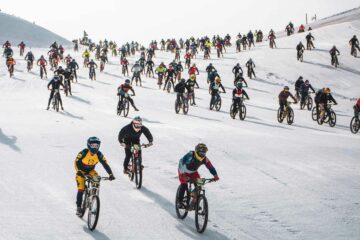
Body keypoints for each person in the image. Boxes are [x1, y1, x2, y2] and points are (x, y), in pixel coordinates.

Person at [74, 137, 115, 216]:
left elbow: (105, 164)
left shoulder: (99, 154)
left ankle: (93, 196)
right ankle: (78, 207)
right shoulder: (84, 152)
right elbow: (76, 162)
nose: (95, 148)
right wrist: (78, 171)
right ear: (89, 145)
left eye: (96, 146)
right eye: (93, 146)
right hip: (81, 172)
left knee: (97, 180)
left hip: (91, 171)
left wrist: (110, 174)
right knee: (81, 188)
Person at [177, 143, 219, 210]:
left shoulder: (205, 159)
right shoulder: (190, 155)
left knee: (199, 184)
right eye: (201, 152)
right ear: (197, 151)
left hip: (193, 172)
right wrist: (182, 174)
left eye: (204, 153)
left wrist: (215, 175)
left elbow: (210, 167)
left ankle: (194, 203)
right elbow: (181, 162)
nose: (203, 154)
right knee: (184, 185)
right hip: (183, 171)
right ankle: (179, 202)